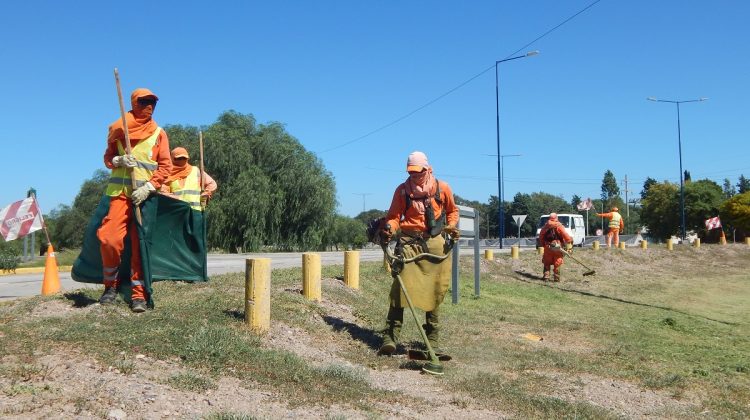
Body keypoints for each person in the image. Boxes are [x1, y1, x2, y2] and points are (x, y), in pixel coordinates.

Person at [97, 88, 172, 312]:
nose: (149, 106)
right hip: (120, 193)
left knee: (140, 245)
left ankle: (138, 294)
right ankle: (110, 287)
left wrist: (149, 187)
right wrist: (119, 159)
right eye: (144, 101)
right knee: (109, 238)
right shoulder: (119, 129)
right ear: (134, 103)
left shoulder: (159, 132)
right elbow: (108, 158)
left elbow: (166, 166)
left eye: (153, 102)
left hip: (144, 198)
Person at [377, 151, 459, 355]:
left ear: (427, 168)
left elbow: (453, 211)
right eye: (410, 172)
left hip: (434, 243)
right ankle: (390, 338)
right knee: (400, 288)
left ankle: (432, 339)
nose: (414, 175)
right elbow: (395, 216)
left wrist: (450, 226)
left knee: (434, 288)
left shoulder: (442, 188)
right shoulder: (402, 191)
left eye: (418, 172)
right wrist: (390, 226)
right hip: (408, 242)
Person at [538, 213, 573, 282]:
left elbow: (541, 236)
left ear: (549, 218)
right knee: (557, 261)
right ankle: (556, 278)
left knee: (547, 262)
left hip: (548, 246)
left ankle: (546, 277)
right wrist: (569, 244)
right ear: (556, 218)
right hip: (558, 246)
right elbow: (566, 236)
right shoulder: (559, 226)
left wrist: (543, 244)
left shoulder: (546, 226)